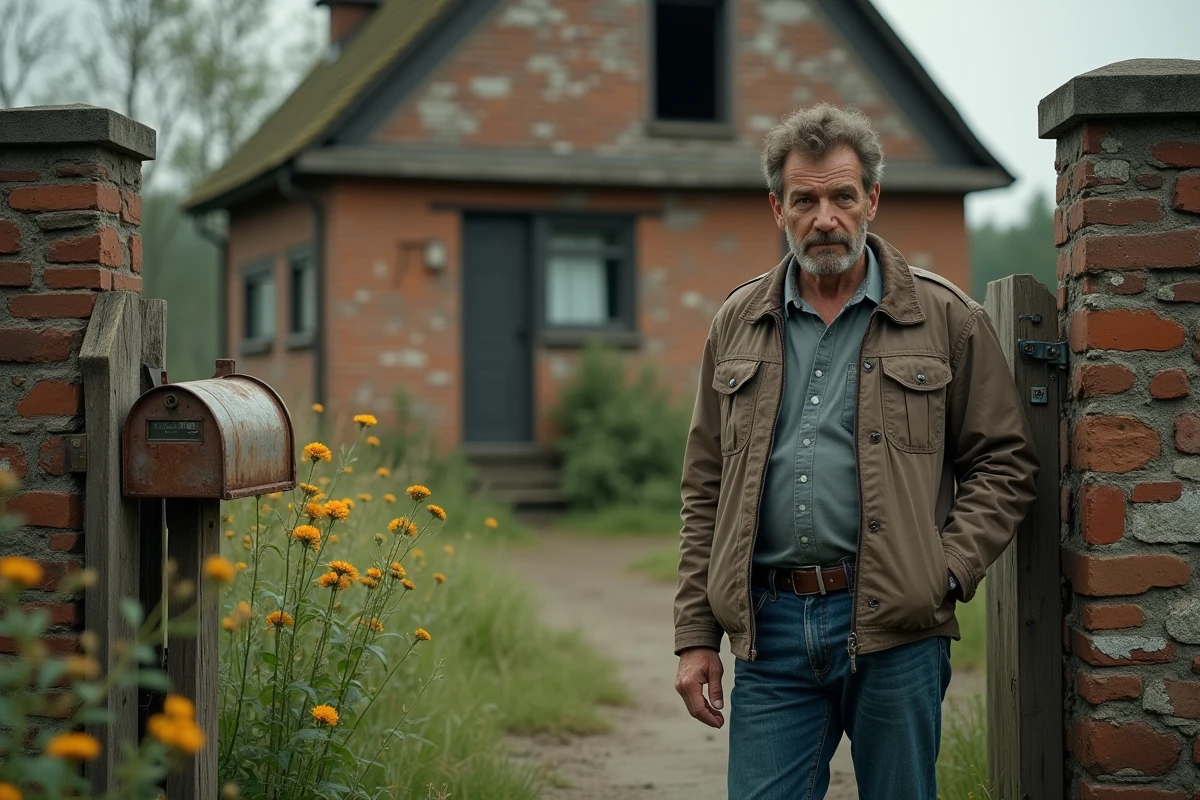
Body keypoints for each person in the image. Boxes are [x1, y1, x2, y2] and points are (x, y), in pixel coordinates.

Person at [672, 103, 1039, 800]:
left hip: (897, 629)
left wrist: (943, 571)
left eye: (842, 197)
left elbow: (1005, 462)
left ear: (872, 199)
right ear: (777, 209)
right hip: (770, 628)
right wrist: (696, 633)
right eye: (804, 201)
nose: (825, 219)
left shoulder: (947, 318)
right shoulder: (737, 322)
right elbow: (705, 487)